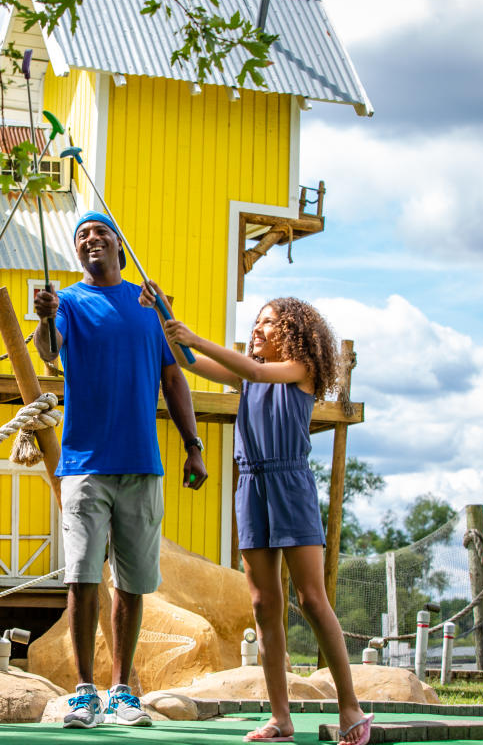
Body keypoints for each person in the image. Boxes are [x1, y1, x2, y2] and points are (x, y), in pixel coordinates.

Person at [150, 291, 374, 745]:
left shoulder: (300, 372)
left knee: (312, 599)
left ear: (292, 333)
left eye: (268, 322)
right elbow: (189, 362)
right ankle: (281, 719)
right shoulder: (247, 379)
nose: (257, 328)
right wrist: (162, 315)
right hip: (251, 485)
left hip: (290, 485)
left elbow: (253, 369)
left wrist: (193, 335)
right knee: (263, 607)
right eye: (255, 321)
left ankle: (350, 707)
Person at [32, 211, 207, 730]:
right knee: (82, 576)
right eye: (82, 235)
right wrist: (43, 317)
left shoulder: (148, 305)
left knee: (132, 583)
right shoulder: (65, 302)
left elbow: (176, 377)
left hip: (141, 464)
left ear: (119, 248)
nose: (90, 239)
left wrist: (193, 445)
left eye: (100, 233)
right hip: (84, 463)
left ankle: (121, 691)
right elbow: (48, 352)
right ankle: (84, 690)